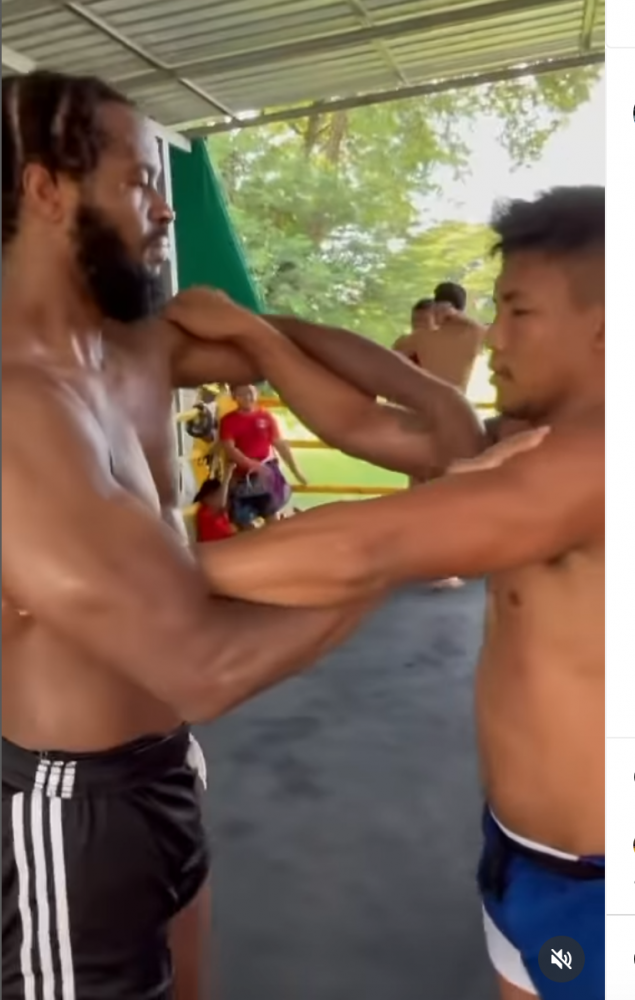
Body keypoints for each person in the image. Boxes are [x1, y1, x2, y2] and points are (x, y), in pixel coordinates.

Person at [1, 69, 501, 999]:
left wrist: (265, 337)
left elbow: (438, 434)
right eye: (138, 180)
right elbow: (205, 665)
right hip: (70, 800)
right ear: (46, 189)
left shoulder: (143, 349)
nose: (163, 208)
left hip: (168, 761)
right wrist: (413, 539)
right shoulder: (16, 407)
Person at [175, 186, 606, 1000]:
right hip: (523, 853)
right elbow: (362, 422)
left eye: (518, 312)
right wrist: (254, 333)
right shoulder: (525, 439)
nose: (493, 335)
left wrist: (101, 567)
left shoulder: (595, 462)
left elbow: (361, 549)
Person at [219, 384, 305, 526]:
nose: (248, 397)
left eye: (251, 393)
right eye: (242, 394)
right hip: (241, 476)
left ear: (257, 394)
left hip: (266, 473)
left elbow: (279, 444)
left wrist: (296, 471)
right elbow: (229, 449)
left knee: (272, 517)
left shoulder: (266, 416)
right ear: (234, 397)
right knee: (243, 522)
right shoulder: (228, 421)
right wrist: (252, 465)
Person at [193, 476, 234, 543]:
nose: (219, 498)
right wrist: (227, 477)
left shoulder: (220, 511)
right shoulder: (203, 513)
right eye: (215, 496)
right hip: (216, 547)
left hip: (227, 544)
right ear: (205, 498)